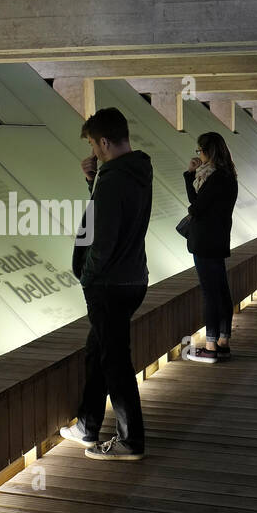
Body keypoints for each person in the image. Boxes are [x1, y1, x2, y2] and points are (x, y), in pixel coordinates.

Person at [59, 107, 153, 461]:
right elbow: (116, 212)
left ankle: (131, 440)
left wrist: (88, 276)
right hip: (132, 278)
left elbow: (104, 239)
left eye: (93, 145)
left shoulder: (114, 180)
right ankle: (88, 425)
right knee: (97, 352)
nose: (92, 152)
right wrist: (92, 181)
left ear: (103, 141)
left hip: (110, 285)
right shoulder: (137, 170)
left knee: (114, 361)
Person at [181, 132, 239, 364]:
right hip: (218, 239)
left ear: (207, 151)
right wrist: (192, 175)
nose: (199, 155)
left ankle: (210, 346)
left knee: (210, 293)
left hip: (204, 242)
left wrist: (188, 176)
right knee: (221, 290)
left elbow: (195, 207)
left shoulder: (215, 178)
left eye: (199, 151)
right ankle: (223, 342)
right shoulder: (228, 176)